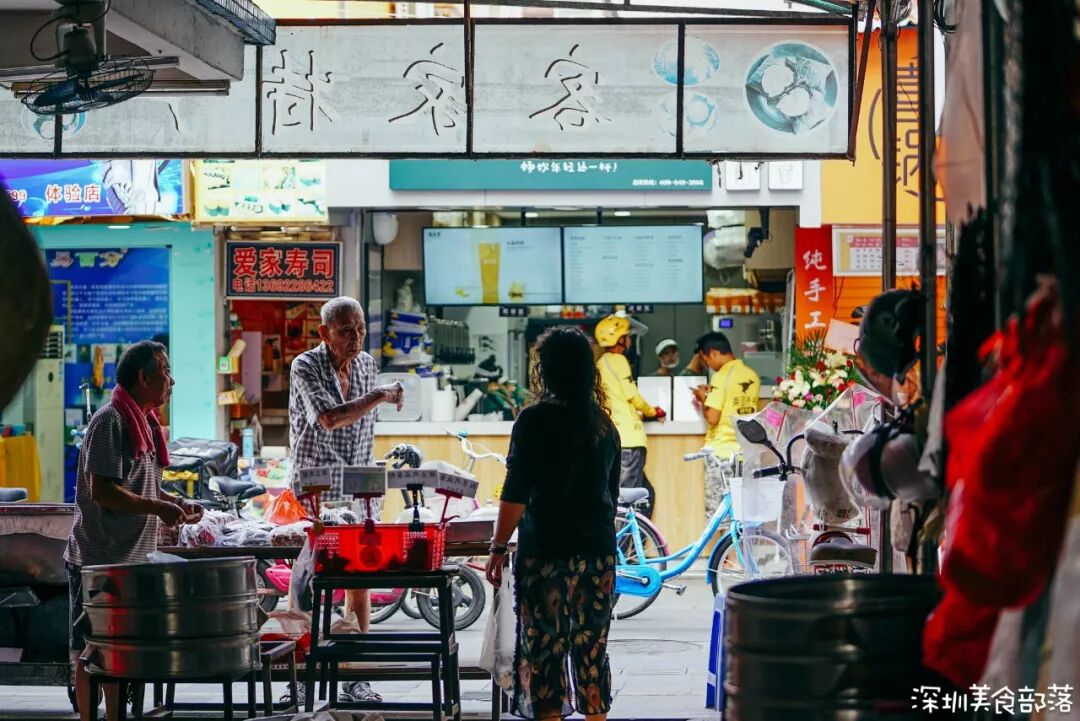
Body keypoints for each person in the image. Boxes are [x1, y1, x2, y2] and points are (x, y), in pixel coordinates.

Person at [485, 326, 620, 721]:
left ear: (544, 369)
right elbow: (610, 496)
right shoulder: (604, 426)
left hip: (546, 552)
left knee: (545, 649)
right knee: (592, 648)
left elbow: (516, 490)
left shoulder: (533, 420)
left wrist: (497, 547)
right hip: (597, 552)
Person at [65, 341, 204, 721]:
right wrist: (158, 508)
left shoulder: (144, 422)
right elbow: (103, 491)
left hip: (131, 559)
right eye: (165, 371)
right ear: (143, 377)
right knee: (92, 649)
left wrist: (175, 502)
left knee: (119, 649)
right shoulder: (110, 421)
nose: (172, 380)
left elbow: (141, 486)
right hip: (98, 559)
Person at [288, 296, 404, 704]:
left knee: (359, 578)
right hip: (316, 485)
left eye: (360, 330)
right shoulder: (305, 365)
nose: (355, 338)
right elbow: (329, 418)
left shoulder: (368, 366)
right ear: (324, 333)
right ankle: (302, 677)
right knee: (310, 581)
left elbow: (364, 430)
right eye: (345, 331)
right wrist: (380, 395)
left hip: (359, 485)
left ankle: (356, 675)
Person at [595, 313, 663, 518]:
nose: (630, 341)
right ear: (620, 339)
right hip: (629, 441)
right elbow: (632, 395)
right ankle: (623, 538)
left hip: (615, 437)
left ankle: (636, 536)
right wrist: (652, 411)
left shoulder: (600, 364)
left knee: (646, 494)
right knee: (626, 503)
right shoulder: (618, 360)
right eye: (627, 336)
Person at [692, 332, 761, 517]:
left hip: (722, 453)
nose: (708, 365)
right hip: (746, 453)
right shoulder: (751, 375)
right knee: (744, 513)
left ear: (714, 353)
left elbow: (713, 417)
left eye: (706, 359)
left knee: (719, 514)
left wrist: (703, 399)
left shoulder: (721, 376)